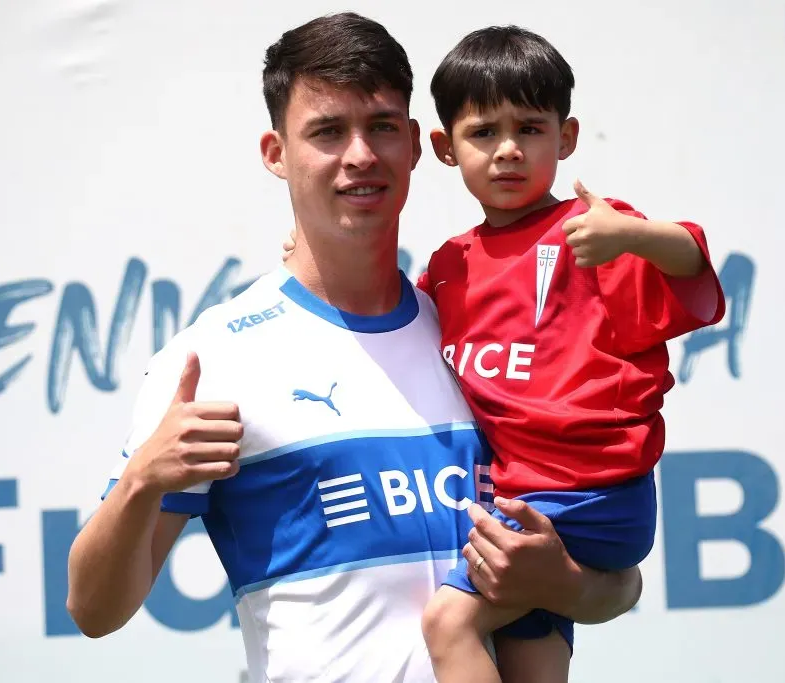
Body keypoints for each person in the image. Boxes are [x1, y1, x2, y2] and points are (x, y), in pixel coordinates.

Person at [65, 13, 641, 683]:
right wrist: (141, 479)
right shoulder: (214, 359)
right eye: (328, 131)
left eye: (382, 126)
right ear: (276, 152)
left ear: (418, 148)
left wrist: (564, 584)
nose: (361, 154)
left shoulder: (476, 340)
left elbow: (619, 585)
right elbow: (94, 609)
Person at [285, 22, 725, 683]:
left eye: (530, 128)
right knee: (528, 657)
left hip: (585, 497)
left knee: (448, 622)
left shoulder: (592, 233)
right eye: (483, 133)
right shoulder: (451, 265)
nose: (508, 151)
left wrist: (633, 234)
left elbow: (692, 263)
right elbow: (399, 313)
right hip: (528, 502)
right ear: (441, 147)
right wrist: (308, 258)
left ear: (566, 137)